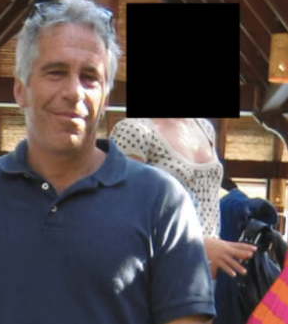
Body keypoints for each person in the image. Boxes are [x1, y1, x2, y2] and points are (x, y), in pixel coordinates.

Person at [0, 0, 215, 324]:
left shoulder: (162, 201)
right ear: (20, 90)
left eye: (90, 77)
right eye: (56, 72)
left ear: (106, 97)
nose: (74, 91)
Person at [109, 118, 256, 280]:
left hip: (205, 275)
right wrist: (197, 245)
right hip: (157, 276)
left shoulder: (205, 127)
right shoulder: (134, 129)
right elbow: (121, 219)